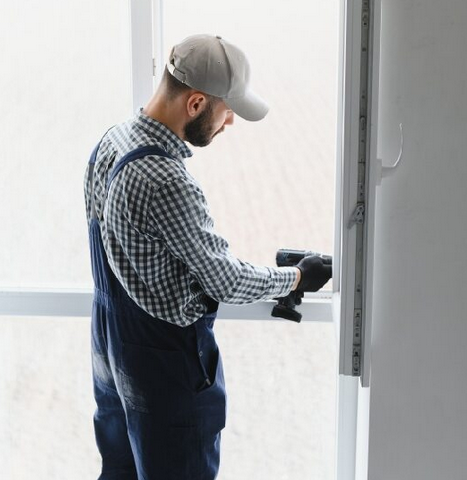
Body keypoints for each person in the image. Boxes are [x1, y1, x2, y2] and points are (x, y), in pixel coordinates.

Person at [83, 34, 332, 480]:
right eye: (227, 110)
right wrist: (295, 277)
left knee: (119, 471)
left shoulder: (111, 142)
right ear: (196, 104)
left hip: (111, 347)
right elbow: (226, 281)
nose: (231, 121)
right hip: (164, 367)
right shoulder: (165, 178)